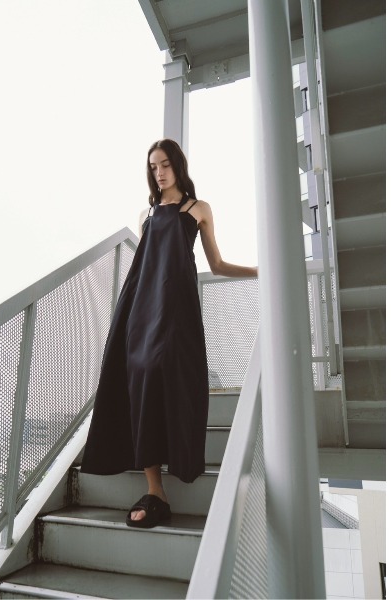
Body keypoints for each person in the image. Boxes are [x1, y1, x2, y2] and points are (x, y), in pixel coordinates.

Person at [81, 139, 257, 528]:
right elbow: (144, 265)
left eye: (164, 165)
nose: (158, 173)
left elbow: (217, 263)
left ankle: (176, 464)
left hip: (178, 307)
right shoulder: (146, 214)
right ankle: (155, 489)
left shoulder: (198, 209)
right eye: (153, 167)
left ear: (178, 165)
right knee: (142, 376)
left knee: (170, 376)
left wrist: (260, 271)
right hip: (143, 305)